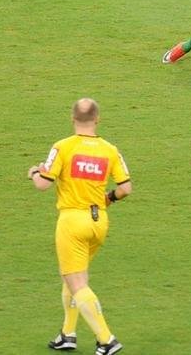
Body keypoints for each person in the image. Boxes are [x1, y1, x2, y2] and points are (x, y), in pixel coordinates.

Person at [28, 98, 132, 355]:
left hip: (72, 221)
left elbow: (43, 184)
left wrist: (33, 173)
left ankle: (106, 340)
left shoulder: (63, 147)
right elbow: (125, 188)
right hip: (99, 221)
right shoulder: (110, 150)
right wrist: (107, 199)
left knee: (77, 282)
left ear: (72, 118)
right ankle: (68, 334)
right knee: (74, 275)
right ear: (98, 119)